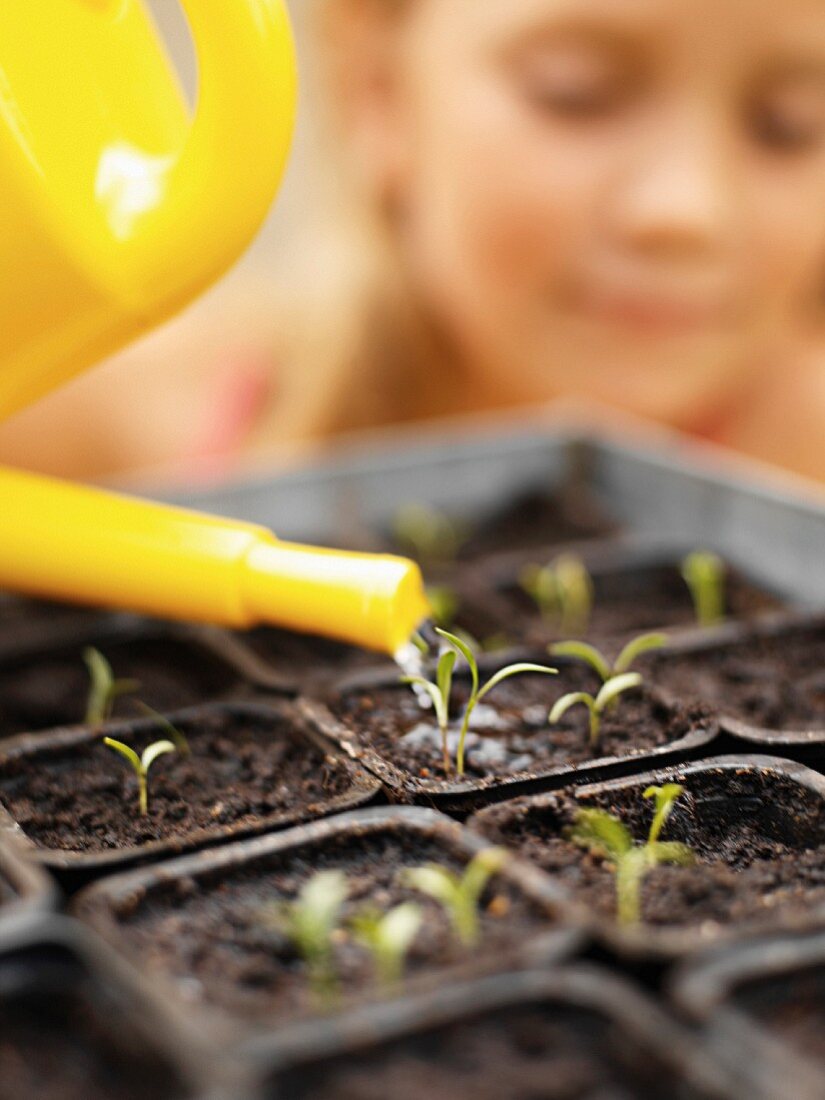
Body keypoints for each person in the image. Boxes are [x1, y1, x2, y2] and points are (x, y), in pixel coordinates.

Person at [3, 0, 825, 482]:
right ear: (379, 92)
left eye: (788, 127)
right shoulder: (115, 417)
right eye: (577, 94)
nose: (684, 210)